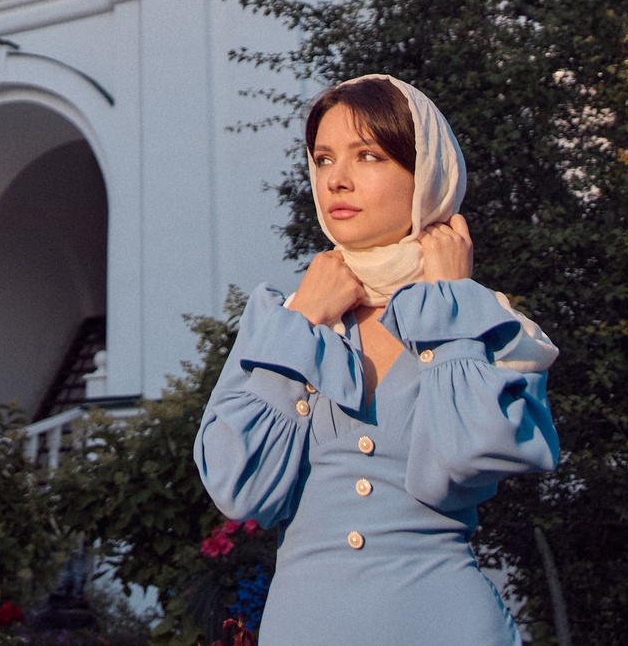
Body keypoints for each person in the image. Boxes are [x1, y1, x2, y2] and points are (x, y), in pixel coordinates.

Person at [193, 75, 560, 645]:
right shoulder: (284, 319)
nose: (336, 178)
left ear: (425, 176)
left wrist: (449, 308)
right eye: (322, 158)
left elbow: (465, 462)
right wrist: (303, 324)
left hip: (447, 625)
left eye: (369, 155)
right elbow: (239, 487)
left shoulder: (487, 322)